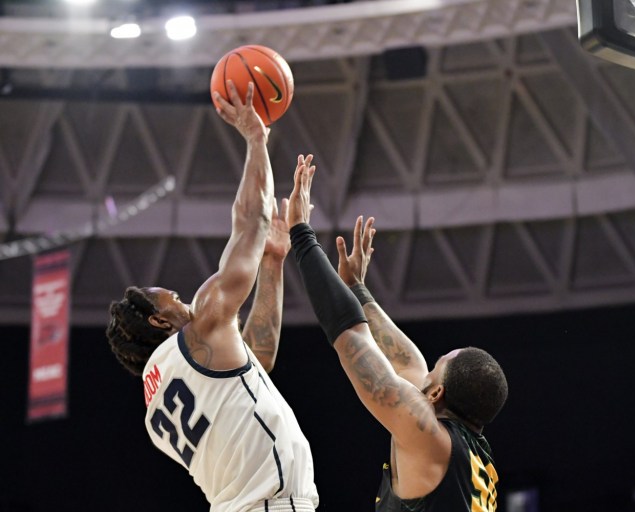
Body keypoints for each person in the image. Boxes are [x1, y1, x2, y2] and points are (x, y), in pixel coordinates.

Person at [105, 80, 319, 512]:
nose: (185, 300)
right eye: (173, 297)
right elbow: (250, 222)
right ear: (158, 320)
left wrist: (273, 262)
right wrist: (256, 138)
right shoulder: (200, 328)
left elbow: (260, 356)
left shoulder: (155, 408)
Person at [286, 162, 508, 511]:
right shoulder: (471, 451)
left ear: (436, 393)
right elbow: (407, 363)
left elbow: (352, 337)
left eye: (435, 369)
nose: (425, 372)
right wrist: (357, 289)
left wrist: (300, 234)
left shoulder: (429, 439)